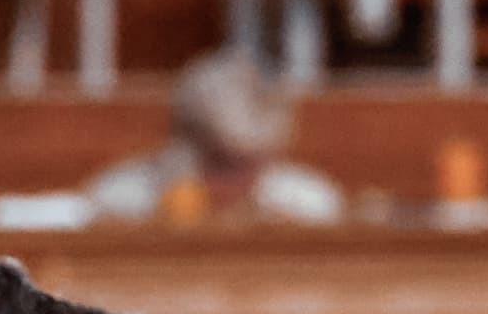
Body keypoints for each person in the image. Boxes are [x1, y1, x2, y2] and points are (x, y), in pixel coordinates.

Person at [84, 51, 346, 225]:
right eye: (221, 162)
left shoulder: (309, 204)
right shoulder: (122, 200)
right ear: (185, 143)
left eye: (248, 166)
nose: (231, 184)